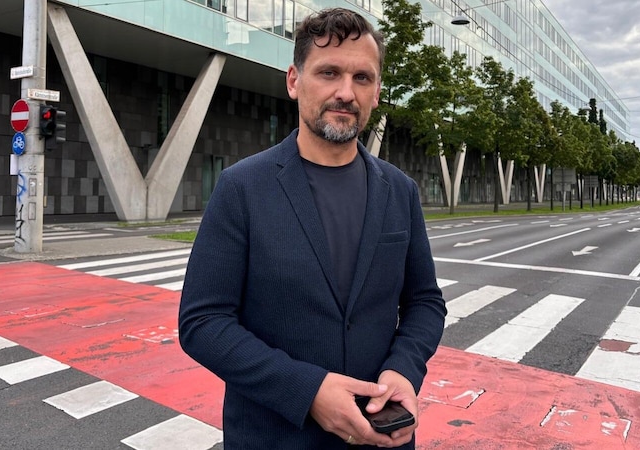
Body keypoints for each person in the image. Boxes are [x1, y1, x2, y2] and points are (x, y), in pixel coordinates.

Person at [178, 7, 446, 449]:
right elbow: (203, 322)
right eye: (328, 72)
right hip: (274, 437)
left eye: (362, 77)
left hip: (383, 437)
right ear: (294, 81)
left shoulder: (400, 191)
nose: (346, 91)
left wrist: (404, 369)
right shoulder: (241, 187)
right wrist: (308, 392)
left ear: (377, 92)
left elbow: (424, 302)